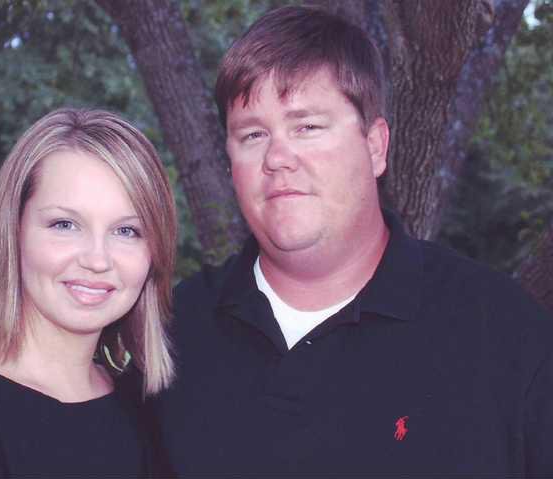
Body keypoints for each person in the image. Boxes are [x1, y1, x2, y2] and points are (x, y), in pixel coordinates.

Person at [152, 5, 553, 476]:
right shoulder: (170, 340)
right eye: (253, 134)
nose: (277, 157)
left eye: (307, 127)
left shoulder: (506, 337)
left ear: (375, 146)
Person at [0, 108, 176, 476]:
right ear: (13, 231)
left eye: (126, 231)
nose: (97, 260)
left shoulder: (146, 409)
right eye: (65, 224)